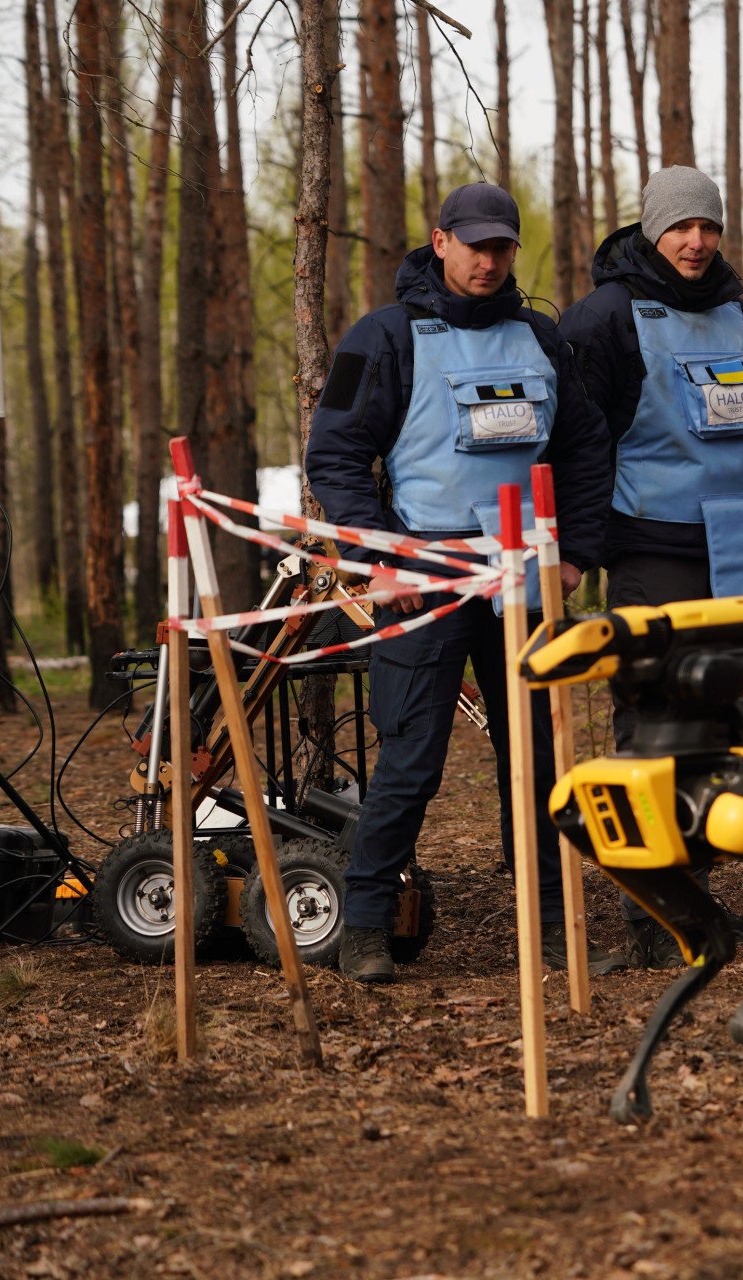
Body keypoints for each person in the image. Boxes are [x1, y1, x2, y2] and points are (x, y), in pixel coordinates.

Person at [306, 183, 613, 983]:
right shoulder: (379, 338)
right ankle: (365, 928)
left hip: (523, 575)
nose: (488, 260)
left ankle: (552, 930)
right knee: (412, 759)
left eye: (502, 247)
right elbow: (333, 455)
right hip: (427, 573)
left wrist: (574, 551)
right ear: (439, 243)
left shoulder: (542, 338)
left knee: (540, 759)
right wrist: (380, 558)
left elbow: (584, 447)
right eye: (474, 244)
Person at [557, 165, 743, 971]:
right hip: (649, 545)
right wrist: (578, 546)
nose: (696, 241)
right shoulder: (607, 318)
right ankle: (650, 913)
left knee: (715, 723)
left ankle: (700, 896)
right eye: (681, 227)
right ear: (652, 230)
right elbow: (581, 444)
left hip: (726, 547)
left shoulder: (736, 313)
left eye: (708, 227)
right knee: (653, 726)